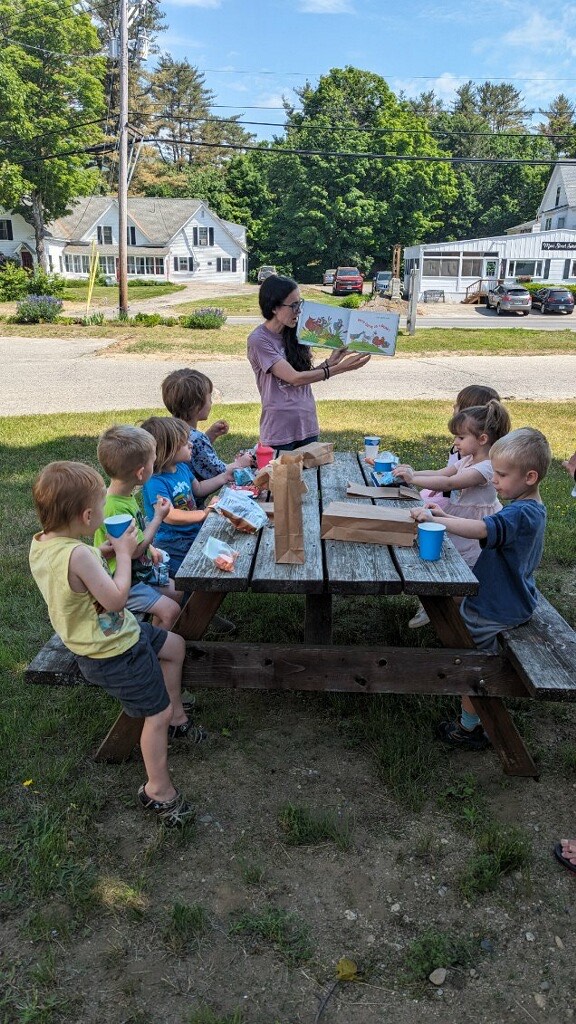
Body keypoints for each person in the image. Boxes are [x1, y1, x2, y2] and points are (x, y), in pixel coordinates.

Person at [28, 461, 202, 828]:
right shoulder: (76, 554)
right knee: (154, 714)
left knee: (175, 647)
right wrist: (123, 553)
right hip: (111, 651)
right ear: (88, 515)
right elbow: (116, 600)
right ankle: (158, 790)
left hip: (115, 635)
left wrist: (104, 553)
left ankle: (177, 719)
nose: (106, 510)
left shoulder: (46, 544)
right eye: (102, 506)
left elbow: (78, 571)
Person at [411, 427, 552, 750]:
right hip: (508, 598)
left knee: (470, 661)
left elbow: (480, 529)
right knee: (455, 625)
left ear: (530, 477)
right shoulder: (528, 509)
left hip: (498, 607)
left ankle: (470, 726)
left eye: (501, 475)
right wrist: (444, 513)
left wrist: (438, 520)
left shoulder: (521, 515)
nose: (495, 481)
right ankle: (472, 712)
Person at [394, 399, 511, 627]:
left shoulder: (486, 467)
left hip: (473, 523)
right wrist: (412, 471)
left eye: (460, 437)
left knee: (463, 565)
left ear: (482, 439)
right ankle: (436, 601)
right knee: (443, 556)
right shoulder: (469, 458)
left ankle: (450, 607)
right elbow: (442, 471)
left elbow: (450, 482)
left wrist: (413, 479)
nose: (455, 442)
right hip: (458, 516)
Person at [247, 274, 371, 451]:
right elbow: (294, 378)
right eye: (294, 305)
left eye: (300, 303)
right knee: (281, 479)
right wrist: (338, 369)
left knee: (311, 479)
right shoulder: (259, 340)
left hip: (307, 424)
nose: (299, 310)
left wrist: (331, 362)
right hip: (279, 431)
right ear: (274, 308)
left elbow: (304, 378)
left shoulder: (297, 333)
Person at [93, 425, 182, 630]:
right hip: (122, 582)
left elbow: (138, 538)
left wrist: (150, 548)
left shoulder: (122, 496)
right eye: (153, 461)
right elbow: (134, 551)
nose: (155, 465)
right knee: (171, 611)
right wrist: (158, 518)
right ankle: (154, 647)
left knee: (177, 592)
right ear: (141, 473)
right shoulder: (115, 509)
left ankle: (152, 632)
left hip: (138, 571)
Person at [140, 416, 233, 577]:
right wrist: (202, 514)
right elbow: (169, 515)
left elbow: (198, 488)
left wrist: (224, 477)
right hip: (173, 542)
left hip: (192, 533)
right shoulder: (155, 481)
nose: (190, 444)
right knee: (185, 577)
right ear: (168, 450)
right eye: (184, 443)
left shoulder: (181, 467)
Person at [161, 368, 254, 485]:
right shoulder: (197, 439)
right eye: (209, 399)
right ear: (197, 407)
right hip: (190, 499)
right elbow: (217, 471)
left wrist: (210, 435)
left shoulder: (169, 429)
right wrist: (240, 464)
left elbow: (195, 455)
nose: (211, 403)